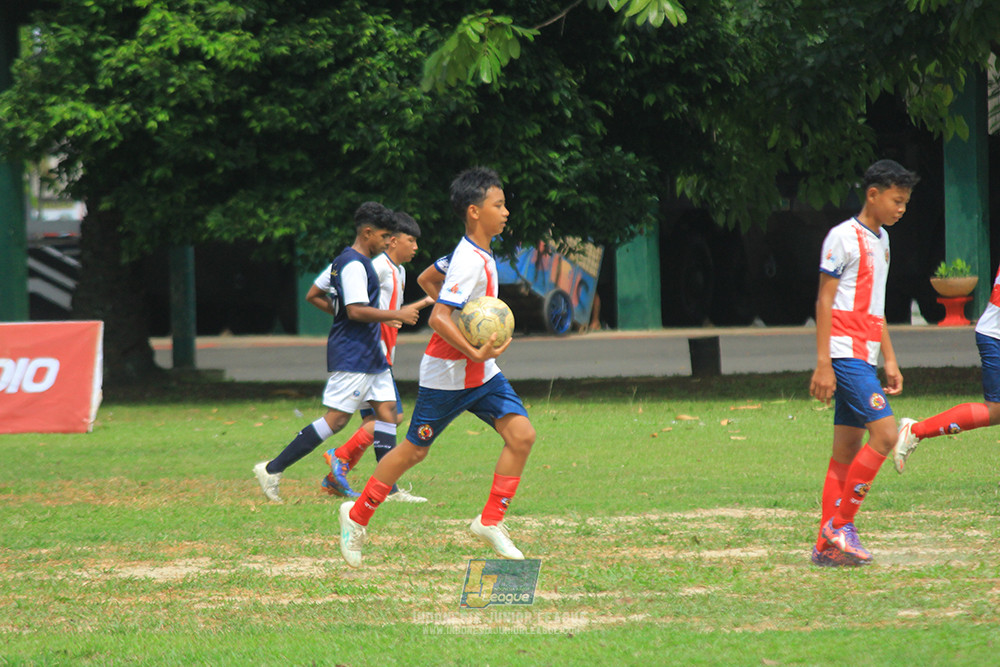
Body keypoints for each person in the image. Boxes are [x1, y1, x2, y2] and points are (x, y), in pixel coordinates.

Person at [337, 166, 536, 567]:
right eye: (499, 205)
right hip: (448, 375)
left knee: (522, 435)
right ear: (474, 211)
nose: (506, 211)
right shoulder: (468, 260)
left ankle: (490, 521)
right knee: (413, 451)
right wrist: (473, 347)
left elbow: (429, 278)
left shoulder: (472, 253)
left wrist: (476, 349)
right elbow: (438, 317)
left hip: (482, 373)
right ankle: (355, 516)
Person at [253, 202, 422, 503]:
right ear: (368, 233)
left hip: (372, 353)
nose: (387, 242)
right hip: (354, 352)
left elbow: (323, 298)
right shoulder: (355, 264)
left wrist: (342, 312)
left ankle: (388, 490)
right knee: (337, 420)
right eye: (384, 236)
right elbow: (356, 311)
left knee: (388, 414)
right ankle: (272, 468)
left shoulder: (352, 261)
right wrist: (395, 313)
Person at [808, 159, 920, 567]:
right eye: (897, 200)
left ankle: (825, 546)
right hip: (843, 354)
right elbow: (824, 300)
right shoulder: (841, 238)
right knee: (887, 435)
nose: (901, 209)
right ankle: (841, 525)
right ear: (872, 194)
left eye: (905, 203)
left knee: (845, 450)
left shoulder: (883, 240)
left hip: (865, 355)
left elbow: (876, 309)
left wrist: (889, 358)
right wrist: (823, 363)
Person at [321, 211, 434, 502]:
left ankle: (339, 471)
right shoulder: (377, 266)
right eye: (411, 240)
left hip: (382, 354)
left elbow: (394, 312)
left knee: (385, 418)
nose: (415, 247)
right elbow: (354, 304)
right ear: (393, 240)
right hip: (370, 354)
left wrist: (429, 300)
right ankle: (347, 462)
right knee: (390, 417)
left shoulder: (399, 270)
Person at [894, 263, 1000, 473]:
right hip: (996, 335)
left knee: (995, 411)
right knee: (995, 409)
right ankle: (916, 430)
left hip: (993, 333)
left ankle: (916, 430)